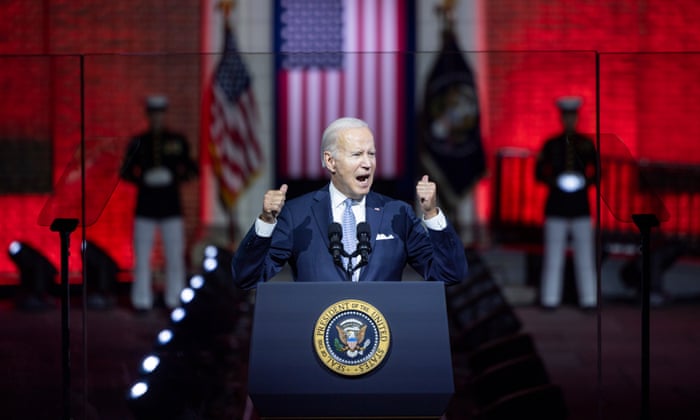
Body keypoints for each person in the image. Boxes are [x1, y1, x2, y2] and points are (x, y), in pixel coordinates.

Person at [231, 117, 468, 289]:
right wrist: (265, 222)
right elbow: (247, 278)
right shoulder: (298, 214)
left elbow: (449, 275)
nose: (368, 164)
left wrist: (432, 215)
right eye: (357, 155)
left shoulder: (398, 214)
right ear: (330, 161)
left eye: (371, 154)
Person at [120, 95, 198, 312]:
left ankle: (175, 299)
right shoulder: (138, 142)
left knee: (174, 255)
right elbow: (125, 171)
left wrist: (173, 178)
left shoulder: (177, 140)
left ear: (164, 114)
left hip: (170, 205)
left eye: (160, 113)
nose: (156, 117)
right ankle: (141, 300)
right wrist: (142, 178)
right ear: (149, 115)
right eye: (153, 113)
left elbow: (192, 169)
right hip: (145, 206)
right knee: (142, 256)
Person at [535, 96, 598, 310]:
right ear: (562, 118)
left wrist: (584, 182)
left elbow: (597, 172)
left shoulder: (586, 144)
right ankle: (549, 299)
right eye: (566, 116)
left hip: (580, 206)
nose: (569, 120)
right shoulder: (551, 144)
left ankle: (589, 300)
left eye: (572, 115)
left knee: (585, 256)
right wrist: (556, 182)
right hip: (557, 205)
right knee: (553, 255)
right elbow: (538, 172)